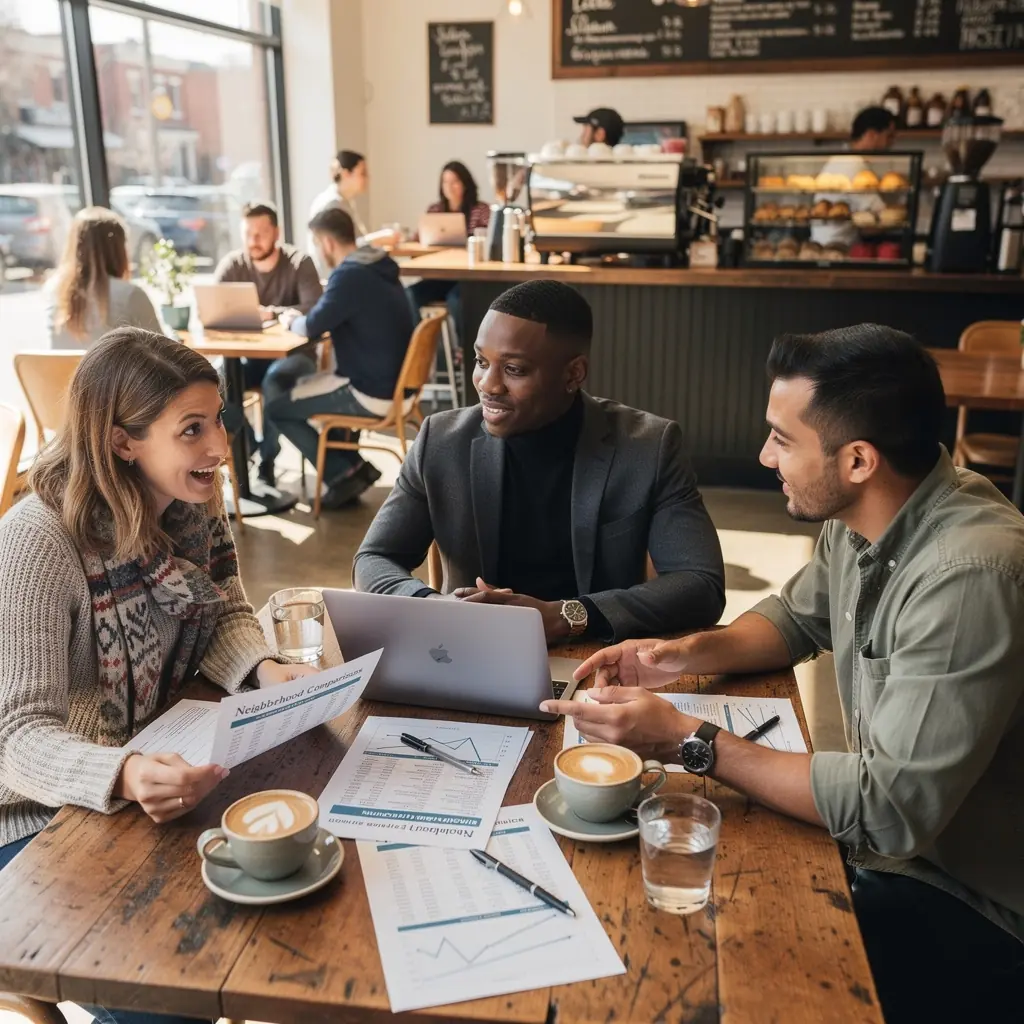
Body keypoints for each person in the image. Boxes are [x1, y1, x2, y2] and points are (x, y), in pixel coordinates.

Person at [543, 325, 1024, 1023]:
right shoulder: (871, 512)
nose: (765, 456)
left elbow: (886, 811)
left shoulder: (968, 577)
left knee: (689, 975)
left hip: (969, 901)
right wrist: (676, 656)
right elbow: (795, 618)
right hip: (883, 851)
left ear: (857, 459)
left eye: (781, 439)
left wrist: (686, 740)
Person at [0, 328, 313, 1023]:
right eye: (191, 429)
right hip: (34, 816)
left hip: (159, 770)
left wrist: (264, 669)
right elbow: (15, 738)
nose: (220, 447)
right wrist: (123, 773)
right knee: (175, 993)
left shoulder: (192, 505)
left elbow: (226, 613)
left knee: (282, 913)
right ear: (123, 442)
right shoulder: (37, 540)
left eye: (219, 421)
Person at [354, 280, 726, 644]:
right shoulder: (441, 440)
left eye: (514, 369)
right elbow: (373, 559)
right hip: (470, 650)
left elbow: (701, 585)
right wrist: (434, 606)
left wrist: (565, 616)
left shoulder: (648, 447)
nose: (488, 384)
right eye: (481, 361)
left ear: (573, 373)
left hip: (596, 655)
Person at [265, 207, 415, 509]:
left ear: (327, 243)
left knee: (276, 409)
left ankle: (342, 473)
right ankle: (354, 468)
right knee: (308, 386)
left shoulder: (349, 275)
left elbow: (311, 326)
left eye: (316, 244)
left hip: (371, 391)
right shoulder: (378, 265)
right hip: (402, 387)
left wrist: (288, 319)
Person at [211, 201, 323, 485]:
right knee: (213, 380)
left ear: (277, 232)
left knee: (275, 382)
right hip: (248, 358)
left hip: (296, 357)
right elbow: (211, 308)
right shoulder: (233, 266)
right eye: (247, 233)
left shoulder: (299, 263)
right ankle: (248, 445)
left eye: (260, 233)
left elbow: (314, 308)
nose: (253, 240)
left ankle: (267, 459)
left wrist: (270, 313)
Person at [43, 206, 161, 349]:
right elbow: (162, 353)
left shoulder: (53, 290)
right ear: (119, 249)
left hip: (65, 366)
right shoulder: (130, 295)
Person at [408, 160, 491, 325]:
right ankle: (418, 339)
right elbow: (418, 240)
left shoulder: (481, 210)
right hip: (440, 275)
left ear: (465, 184)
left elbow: (488, 240)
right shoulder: (434, 210)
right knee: (409, 294)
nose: (449, 187)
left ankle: (464, 342)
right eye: (445, 182)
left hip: (468, 277)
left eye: (454, 182)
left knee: (457, 301)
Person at [812, 107, 897, 248]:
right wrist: (903, 214)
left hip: (822, 246)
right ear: (871, 135)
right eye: (889, 136)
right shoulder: (855, 166)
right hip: (840, 250)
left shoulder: (837, 159)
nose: (891, 143)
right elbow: (879, 220)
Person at [307, 149, 396, 265]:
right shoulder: (332, 205)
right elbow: (346, 246)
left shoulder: (344, 201)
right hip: (335, 271)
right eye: (362, 173)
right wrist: (379, 238)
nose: (367, 178)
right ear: (346, 174)